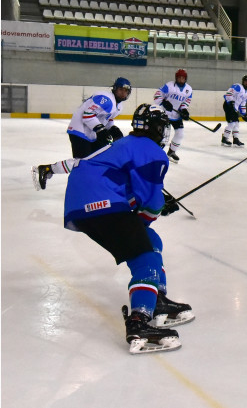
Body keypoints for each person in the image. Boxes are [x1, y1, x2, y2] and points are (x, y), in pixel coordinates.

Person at [63, 103, 195, 354]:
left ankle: (156, 298)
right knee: (145, 254)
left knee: (150, 240)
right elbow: (152, 203)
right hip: (101, 203)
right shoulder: (153, 152)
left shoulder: (125, 143)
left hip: (81, 203)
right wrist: (151, 212)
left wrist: (142, 215)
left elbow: (122, 188)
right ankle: (139, 322)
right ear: (157, 128)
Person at [32, 77, 132, 191]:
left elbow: (106, 118)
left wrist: (112, 128)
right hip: (79, 130)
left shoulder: (119, 106)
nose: (123, 93)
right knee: (82, 163)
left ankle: (86, 182)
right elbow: (88, 114)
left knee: (97, 159)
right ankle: (47, 169)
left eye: (126, 91)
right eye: (121, 89)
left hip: (90, 133)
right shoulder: (106, 99)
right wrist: (101, 130)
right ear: (114, 89)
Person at [154, 68, 193, 163]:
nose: (181, 80)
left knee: (180, 134)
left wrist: (184, 109)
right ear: (176, 78)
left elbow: (186, 101)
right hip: (164, 114)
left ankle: (171, 152)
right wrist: (164, 102)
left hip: (176, 115)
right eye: (179, 78)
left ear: (185, 79)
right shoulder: (169, 86)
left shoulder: (189, 89)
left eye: (183, 78)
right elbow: (157, 95)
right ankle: (156, 153)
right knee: (162, 135)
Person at [221, 75, 247, 147]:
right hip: (228, 106)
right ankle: (224, 139)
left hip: (234, 108)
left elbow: (242, 104)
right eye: (245, 82)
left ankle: (236, 140)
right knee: (232, 124)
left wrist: (244, 114)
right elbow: (228, 94)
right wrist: (231, 102)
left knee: (236, 123)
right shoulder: (237, 86)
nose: (246, 83)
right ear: (243, 82)